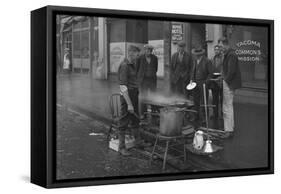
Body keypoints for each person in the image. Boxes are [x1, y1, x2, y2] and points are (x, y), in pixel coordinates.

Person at [218, 37, 242, 137]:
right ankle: (230, 127)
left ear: (225, 44)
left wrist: (225, 80)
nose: (220, 48)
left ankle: (228, 130)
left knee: (227, 106)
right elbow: (228, 70)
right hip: (229, 82)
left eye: (220, 46)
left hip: (229, 83)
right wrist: (223, 77)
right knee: (228, 105)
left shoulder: (231, 55)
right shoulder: (229, 54)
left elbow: (231, 71)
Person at [189, 47, 212, 128]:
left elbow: (210, 74)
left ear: (201, 54)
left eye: (197, 55)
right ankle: (196, 116)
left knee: (204, 101)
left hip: (203, 83)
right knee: (196, 101)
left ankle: (204, 118)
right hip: (195, 83)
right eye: (195, 55)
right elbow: (193, 71)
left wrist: (206, 82)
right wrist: (191, 79)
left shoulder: (207, 61)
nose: (196, 56)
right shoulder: (195, 61)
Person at [137, 44, 158, 118]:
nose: (148, 51)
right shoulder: (140, 58)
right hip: (143, 80)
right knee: (143, 96)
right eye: (146, 50)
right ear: (144, 50)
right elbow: (137, 69)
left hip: (152, 80)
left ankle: (154, 111)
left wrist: (151, 74)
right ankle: (143, 113)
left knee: (153, 96)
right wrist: (139, 79)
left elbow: (156, 68)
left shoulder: (155, 58)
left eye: (149, 50)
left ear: (151, 51)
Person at [207, 45, 224, 126]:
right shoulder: (212, 58)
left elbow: (224, 68)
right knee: (215, 98)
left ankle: (222, 114)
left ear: (220, 50)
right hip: (214, 80)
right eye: (215, 50)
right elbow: (210, 69)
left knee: (222, 98)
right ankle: (215, 113)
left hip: (221, 80)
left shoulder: (223, 58)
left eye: (218, 50)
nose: (216, 51)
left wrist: (221, 76)